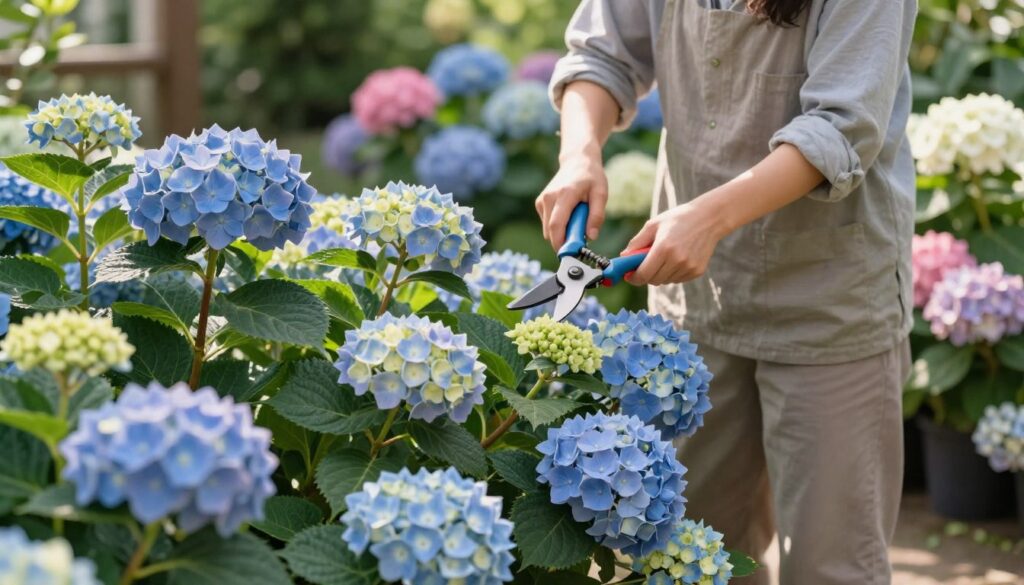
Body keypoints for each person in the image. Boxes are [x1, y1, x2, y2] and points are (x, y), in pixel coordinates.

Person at [538, 0, 916, 583]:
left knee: (830, 563)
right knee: (690, 552)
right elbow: (601, 52)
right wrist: (579, 154)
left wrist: (708, 218)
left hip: (830, 301)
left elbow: (840, 127)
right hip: (697, 305)